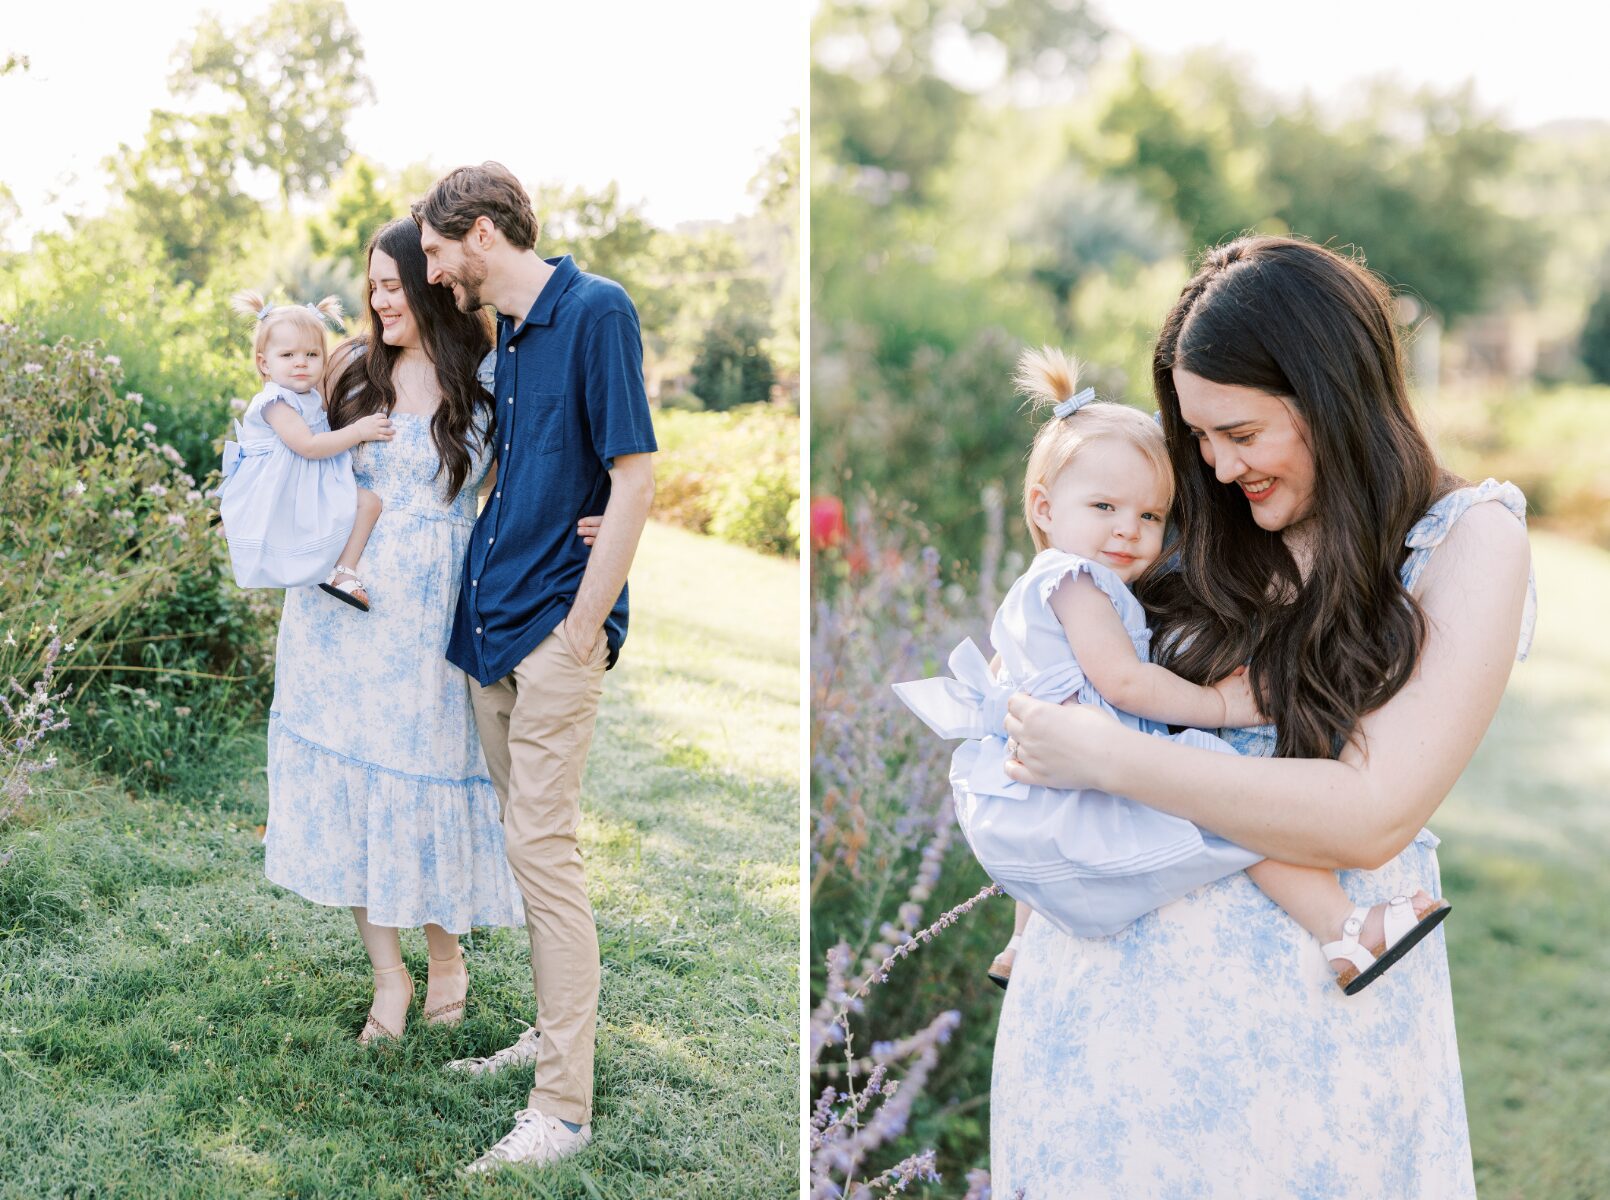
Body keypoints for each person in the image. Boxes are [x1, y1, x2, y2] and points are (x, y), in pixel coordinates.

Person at [991, 236, 1535, 1197]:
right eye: (1199, 438)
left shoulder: (1465, 542)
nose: (1215, 465)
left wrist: (1109, 759)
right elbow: (1052, 667)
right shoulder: (1193, 527)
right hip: (1104, 1038)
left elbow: (1372, 815)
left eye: (1240, 432)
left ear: (1331, 393)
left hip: (1313, 1049)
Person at [896, 347, 1449, 994]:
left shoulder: (1049, 584)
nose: (1128, 531)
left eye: (1150, 516)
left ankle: (1021, 941)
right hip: (1081, 774)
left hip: (1034, 797)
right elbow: (1125, 683)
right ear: (1043, 508)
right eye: (1104, 507)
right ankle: (1344, 928)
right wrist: (1221, 705)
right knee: (1235, 806)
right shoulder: (1078, 582)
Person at [411, 162, 657, 1174]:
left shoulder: (597, 310)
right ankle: (549, 1034)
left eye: (436, 252)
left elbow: (635, 472)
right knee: (527, 850)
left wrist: (583, 624)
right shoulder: (507, 334)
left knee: (545, 856)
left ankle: (561, 1108)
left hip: (555, 632)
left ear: (480, 232)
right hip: (493, 627)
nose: (433, 273)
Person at [262, 218, 531, 1048]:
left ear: (431, 283)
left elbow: (527, 479)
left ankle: (446, 958)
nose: (380, 300)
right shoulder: (348, 367)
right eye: (372, 285)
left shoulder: (488, 374)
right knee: (350, 784)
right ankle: (389, 976)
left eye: (393, 285)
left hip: (431, 611)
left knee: (424, 775)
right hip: (339, 606)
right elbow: (282, 442)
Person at [218, 293, 389, 611]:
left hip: (305, 482)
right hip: (285, 487)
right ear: (264, 363)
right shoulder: (275, 402)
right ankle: (339, 570)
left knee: (368, 502)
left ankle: (341, 569)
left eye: (312, 354)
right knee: (365, 503)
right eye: (288, 355)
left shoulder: (309, 396)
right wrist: (359, 431)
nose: (301, 362)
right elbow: (308, 446)